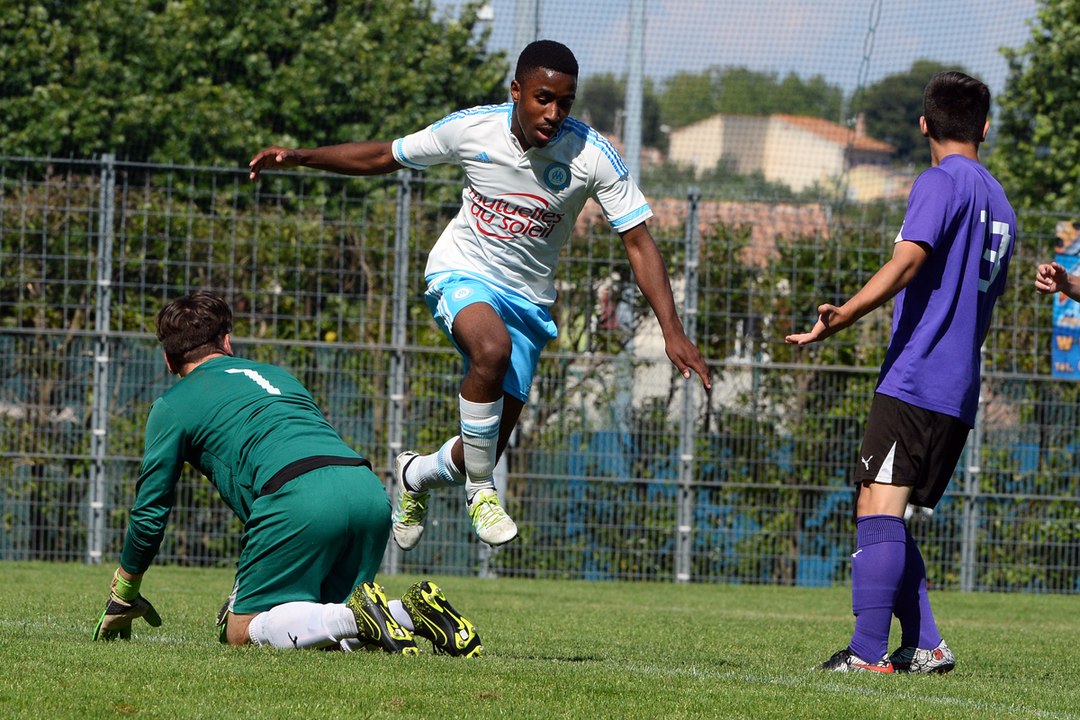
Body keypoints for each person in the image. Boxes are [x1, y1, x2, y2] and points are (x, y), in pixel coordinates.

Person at [248, 40, 711, 550]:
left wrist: (673, 332)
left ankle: (416, 475)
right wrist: (301, 157)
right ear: (517, 91)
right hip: (460, 273)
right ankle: (483, 493)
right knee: (491, 351)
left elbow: (639, 241)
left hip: (529, 304)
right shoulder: (472, 129)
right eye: (542, 98)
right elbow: (386, 154)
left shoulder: (592, 156)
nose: (554, 113)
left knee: (479, 448)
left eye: (565, 102)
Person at [93, 291, 483, 657]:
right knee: (327, 636)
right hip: (366, 491)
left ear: (168, 358)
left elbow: (150, 513)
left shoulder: (171, 405)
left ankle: (359, 614)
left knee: (240, 630)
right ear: (226, 342)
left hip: (298, 499)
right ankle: (412, 613)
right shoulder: (277, 375)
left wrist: (126, 588)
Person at [785, 71, 1017, 673]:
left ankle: (866, 655)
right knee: (878, 506)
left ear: (923, 126)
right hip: (958, 384)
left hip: (917, 376)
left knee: (878, 510)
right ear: (984, 128)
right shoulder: (1002, 203)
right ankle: (927, 643)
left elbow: (908, 261)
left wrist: (843, 315)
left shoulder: (940, 183)